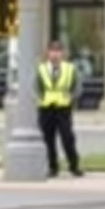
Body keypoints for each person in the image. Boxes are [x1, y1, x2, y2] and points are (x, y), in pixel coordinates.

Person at [35, 41, 83, 178]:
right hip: (46, 107)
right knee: (48, 139)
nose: (55, 55)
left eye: (58, 52)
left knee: (67, 137)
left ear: (62, 54)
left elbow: (77, 86)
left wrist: (71, 98)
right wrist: (40, 98)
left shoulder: (70, 68)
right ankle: (52, 167)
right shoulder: (42, 68)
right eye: (52, 51)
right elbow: (36, 86)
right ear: (48, 53)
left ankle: (74, 165)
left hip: (63, 107)